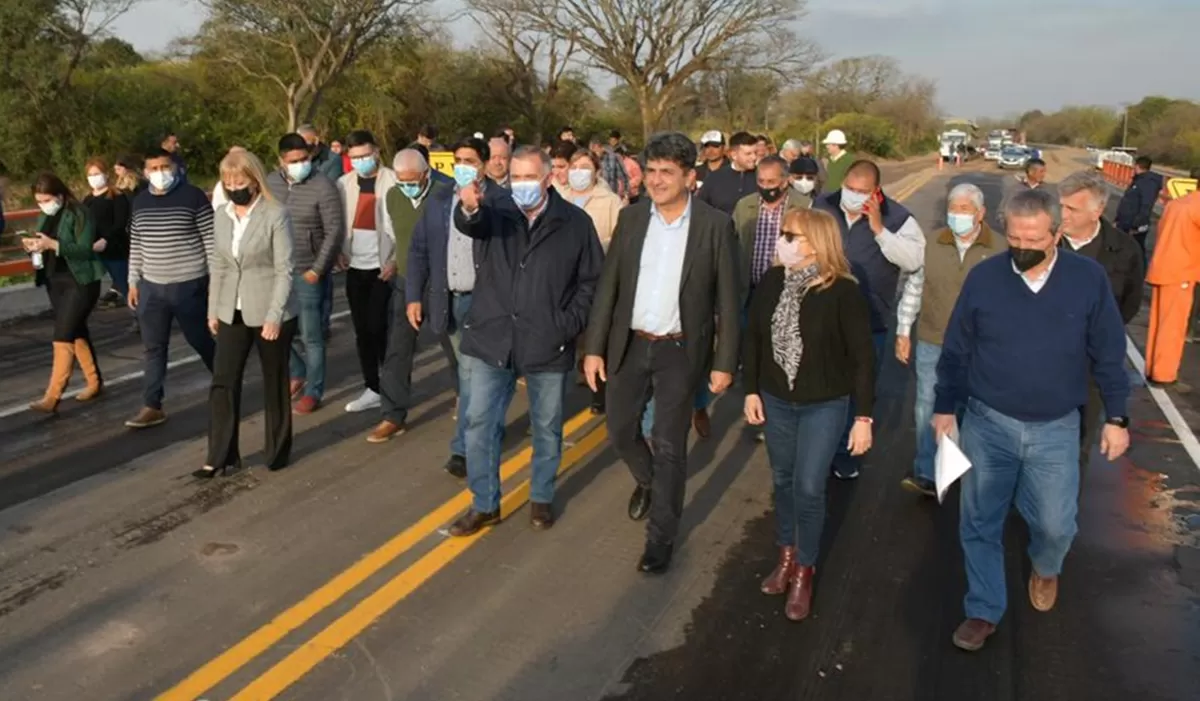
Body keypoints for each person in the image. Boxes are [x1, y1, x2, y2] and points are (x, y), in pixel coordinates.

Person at [934, 188, 1130, 652]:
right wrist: (944, 406)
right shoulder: (985, 278)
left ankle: (1046, 567)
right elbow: (957, 347)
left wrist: (1117, 416)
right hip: (988, 423)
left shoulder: (1088, 279)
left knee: (1055, 524)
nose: (1021, 249)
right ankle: (983, 608)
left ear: (1057, 234)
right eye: (1015, 239)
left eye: (1033, 240)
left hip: (1054, 428)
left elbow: (1108, 352)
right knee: (980, 520)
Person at [583, 132, 740, 574]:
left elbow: (728, 299)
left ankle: (661, 538)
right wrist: (594, 349)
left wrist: (724, 362)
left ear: (690, 177)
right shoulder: (632, 220)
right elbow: (608, 289)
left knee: (671, 445)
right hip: (630, 344)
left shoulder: (714, 226)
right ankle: (649, 482)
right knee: (619, 431)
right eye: (650, 171)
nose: (656, 180)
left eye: (666, 172)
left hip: (679, 351)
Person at [445, 146, 604, 534]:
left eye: (530, 177)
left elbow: (590, 283)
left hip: (548, 343)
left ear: (549, 178)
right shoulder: (497, 213)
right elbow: (472, 223)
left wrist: (567, 323)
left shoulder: (575, 223)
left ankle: (541, 498)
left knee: (547, 426)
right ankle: (485, 504)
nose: (522, 185)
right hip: (492, 338)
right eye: (516, 177)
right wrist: (467, 207)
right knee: (480, 423)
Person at [744, 208, 875, 621]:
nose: (784, 241)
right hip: (777, 399)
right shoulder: (771, 281)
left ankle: (805, 567)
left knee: (809, 485)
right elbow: (754, 338)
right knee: (783, 480)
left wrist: (864, 418)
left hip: (825, 403)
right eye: (784, 234)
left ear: (818, 242)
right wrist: (751, 390)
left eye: (794, 235)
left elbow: (863, 360)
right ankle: (785, 554)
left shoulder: (843, 292)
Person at [814, 160, 924, 479]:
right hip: (822, 316)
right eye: (849, 189)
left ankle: (846, 455)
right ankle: (820, 449)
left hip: (869, 319)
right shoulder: (823, 205)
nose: (853, 196)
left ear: (875, 192)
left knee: (858, 389)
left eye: (862, 192)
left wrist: (879, 230)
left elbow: (914, 261)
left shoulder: (898, 217)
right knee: (823, 386)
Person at [894, 183, 1004, 497]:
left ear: (980, 214)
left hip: (981, 348)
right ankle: (928, 471)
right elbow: (914, 289)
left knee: (974, 410)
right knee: (928, 406)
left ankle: (967, 468)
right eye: (953, 209)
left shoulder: (1000, 248)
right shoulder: (932, 243)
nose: (957, 216)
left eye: (964, 210)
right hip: (933, 339)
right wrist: (904, 331)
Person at [406, 136, 504, 478]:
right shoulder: (439, 201)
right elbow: (418, 250)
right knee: (469, 377)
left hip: (486, 305)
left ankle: (464, 448)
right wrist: (414, 296)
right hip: (448, 302)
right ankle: (478, 434)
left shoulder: (500, 201)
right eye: (458, 160)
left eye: (470, 161)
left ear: (484, 164)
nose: (463, 167)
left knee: (473, 376)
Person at [200, 149, 296, 478]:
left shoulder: (275, 214)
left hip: (270, 307)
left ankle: (277, 450)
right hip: (231, 308)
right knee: (223, 381)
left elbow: (285, 270)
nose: (232, 187)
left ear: (254, 181)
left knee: (274, 381)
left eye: (239, 181)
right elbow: (219, 264)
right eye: (227, 181)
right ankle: (221, 455)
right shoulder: (222, 215)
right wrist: (214, 309)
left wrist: (274, 316)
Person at [1057, 171, 1143, 480]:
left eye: (1072, 209)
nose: (1062, 215)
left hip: (1092, 365)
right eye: (1061, 206)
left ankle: (1061, 519)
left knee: (1079, 443)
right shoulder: (1043, 242)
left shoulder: (1125, 250)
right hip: (1043, 359)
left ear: (1097, 211)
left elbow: (1130, 302)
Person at [125, 148, 216, 429]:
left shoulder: (194, 197)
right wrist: (132, 281)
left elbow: (211, 242)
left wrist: (216, 285)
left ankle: (226, 383)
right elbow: (137, 244)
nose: (160, 173)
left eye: (165, 166)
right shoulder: (139, 202)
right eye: (153, 168)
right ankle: (152, 405)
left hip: (189, 285)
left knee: (200, 340)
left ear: (175, 167)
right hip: (151, 288)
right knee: (154, 348)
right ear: (145, 172)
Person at [368, 149, 452, 442]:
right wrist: (392, 262)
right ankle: (392, 415)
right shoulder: (393, 197)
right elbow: (395, 235)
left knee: (455, 348)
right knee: (397, 350)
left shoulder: (444, 195)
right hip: (406, 283)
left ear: (426, 175)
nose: (407, 186)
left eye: (412, 181)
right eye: (401, 181)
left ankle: (470, 406)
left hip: (442, 284)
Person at [266, 132, 345, 414]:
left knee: (311, 335)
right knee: (274, 330)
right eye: (293, 161)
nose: (300, 164)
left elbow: (334, 230)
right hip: (276, 272)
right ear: (281, 161)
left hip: (308, 270)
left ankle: (314, 389)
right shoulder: (270, 183)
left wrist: (317, 269)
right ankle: (296, 371)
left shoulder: (323, 185)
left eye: (304, 159)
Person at [23, 173, 107, 412]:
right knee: (75, 329)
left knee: (62, 334)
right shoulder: (44, 216)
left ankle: (53, 395)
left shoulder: (80, 213)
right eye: (39, 201)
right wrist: (33, 246)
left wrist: (54, 245)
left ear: (59, 195)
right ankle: (94, 381)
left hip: (79, 280)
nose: (43, 205)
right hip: (54, 279)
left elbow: (84, 249)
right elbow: (43, 241)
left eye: (46, 199)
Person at [337, 130, 399, 413]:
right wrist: (340, 251)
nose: (360, 161)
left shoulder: (393, 181)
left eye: (365, 155)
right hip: (354, 267)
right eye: (355, 157)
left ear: (376, 151)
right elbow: (338, 222)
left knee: (379, 326)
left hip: (382, 267)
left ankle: (391, 384)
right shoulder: (343, 184)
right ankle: (372, 387)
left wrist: (395, 259)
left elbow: (403, 225)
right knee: (362, 331)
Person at [566, 148, 625, 413]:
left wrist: (598, 246)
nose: (579, 172)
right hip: (565, 281)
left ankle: (599, 393)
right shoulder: (560, 197)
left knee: (595, 336)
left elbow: (620, 239)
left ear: (597, 171)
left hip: (597, 278)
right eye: (575, 166)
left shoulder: (610, 201)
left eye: (585, 167)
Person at [733, 156, 811, 308]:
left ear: (785, 181)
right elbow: (734, 242)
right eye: (761, 181)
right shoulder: (744, 206)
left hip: (787, 292)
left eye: (771, 182)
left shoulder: (804, 206)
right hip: (750, 293)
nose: (766, 187)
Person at [1144, 187, 1200, 387]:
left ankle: (1152, 367)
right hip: (1182, 271)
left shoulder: (1177, 203)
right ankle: (1164, 373)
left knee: (1158, 324)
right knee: (1173, 326)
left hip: (1163, 267)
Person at [83, 158, 132, 310]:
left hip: (115, 249)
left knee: (125, 285)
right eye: (90, 175)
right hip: (92, 249)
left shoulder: (117, 197)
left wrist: (106, 240)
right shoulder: (88, 199)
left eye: (97, 173)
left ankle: (141, 319)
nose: (94, 178)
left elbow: (120, 222)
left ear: (105, 174)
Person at [696, 131, 758, 215]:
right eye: (748, 154)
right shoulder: (714, 178)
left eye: (755, 153)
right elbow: (700, 208)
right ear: (734, 155)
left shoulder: (763, 176)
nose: (754, 157)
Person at [1115, 156, 1164, 256]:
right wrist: (1118, 219)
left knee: (1137, 250)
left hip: (1135, 224)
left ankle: (1140, 270)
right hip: (1125, 222)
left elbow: (1146, 205)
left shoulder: (1148, 183)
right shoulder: (1138, 180)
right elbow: (1127, 201)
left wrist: (1137, 224)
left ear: (1137, 166)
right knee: (1123, 249)